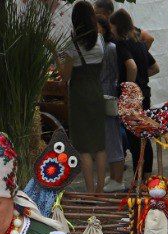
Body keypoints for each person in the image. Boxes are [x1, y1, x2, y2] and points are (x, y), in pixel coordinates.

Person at [61, 2, 108, 193]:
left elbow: (65, 76)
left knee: (84, 148)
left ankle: (90, 192)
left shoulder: (71, 44)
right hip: (97, 92)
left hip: (79, 95)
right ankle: (100, 190)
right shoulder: (100, 40)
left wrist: (57, 58)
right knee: (99, 145)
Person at [109, 8, 157, 177]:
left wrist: (129, 89)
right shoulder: (139, 43)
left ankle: (139, 179)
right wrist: (141, 80)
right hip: (145, 94)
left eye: (112, 27)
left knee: (135, 140)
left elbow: (132, 66)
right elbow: (154, 68)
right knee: (144, 136)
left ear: (117, 27)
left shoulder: (122, 44)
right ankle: (147, 177)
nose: (111, 31)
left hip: (134, 100)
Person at [97, 12, 126, 190]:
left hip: (107, 92)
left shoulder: (110, 48)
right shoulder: (104, 47)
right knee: (108, 137)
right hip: (102, 91)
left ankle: (118, 179)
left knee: (113, 136)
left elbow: (117, 72)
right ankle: (114, 176)